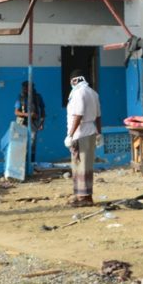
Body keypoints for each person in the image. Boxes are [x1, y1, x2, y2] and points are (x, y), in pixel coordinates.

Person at [64, 69, 101, 207]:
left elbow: (78, 115)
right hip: (91, 132)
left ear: (75, 80)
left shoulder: (79, 93)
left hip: (81, 134)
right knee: (87, 166)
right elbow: (98, 116)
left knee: (79, 166)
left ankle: (82, 198)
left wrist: (70, 135)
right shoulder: (93, 93)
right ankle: (86, 195)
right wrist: (99, 133)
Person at [14, 82, 46, 162]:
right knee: (20, 144)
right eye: (23, 87)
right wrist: (28, 114)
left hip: (34, 124)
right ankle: (21, 164)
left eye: (25, 87)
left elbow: (42, 110)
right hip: (22, 123)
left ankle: (31, 164)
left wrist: (42, 123)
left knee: (32, 146)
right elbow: (16, 112)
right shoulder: (20, 97)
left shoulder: (38, 97)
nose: (23, 89)